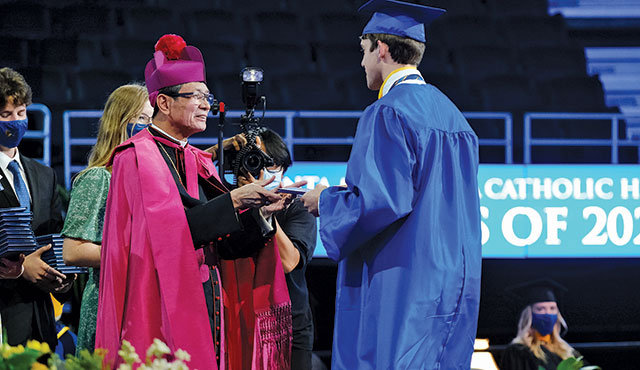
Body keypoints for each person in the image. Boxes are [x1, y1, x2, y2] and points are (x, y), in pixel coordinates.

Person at [300, 1, 482, 369]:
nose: (362, 64)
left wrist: (326, 201)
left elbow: (381, 201)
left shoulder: (389, 111)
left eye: (363, 52)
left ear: (382, 49)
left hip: (404, 278)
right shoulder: (455, 118)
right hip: (454, 282)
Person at [95, 34, 292, 370]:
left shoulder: (197, 159)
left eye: (207, 96)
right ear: (164, 103)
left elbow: (224, 242)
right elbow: (166, 237)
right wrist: (233, 200)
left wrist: (259, 215)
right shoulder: (135, 157)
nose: (207, 105)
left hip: (208, 302)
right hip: (158, 306)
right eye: (197, 96)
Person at [61, 83, 153, 354]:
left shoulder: (150, 181)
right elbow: (73, 251)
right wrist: (137, 254)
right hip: (109, 302)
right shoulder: (99, 177)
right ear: (120, 122)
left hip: (141, 299)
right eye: (142, 119)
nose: (149, 127)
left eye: (153, 120)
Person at [0, 67, 74, 349]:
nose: (15, 122)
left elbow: (53, 237)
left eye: (21, 113)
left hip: (40, 322)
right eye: (6, 115)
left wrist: (62, 280)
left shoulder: (44, 174)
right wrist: (19, 269)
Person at [238, 129, 317, 370]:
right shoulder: (229, 205)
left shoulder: (297, 208)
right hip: (241, 321)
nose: (263, 174)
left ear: (282, 169)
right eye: (255, 165)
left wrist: (267, 215)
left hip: (289, 327)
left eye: (270, 166)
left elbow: (289, 262)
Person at [501, 279, 587, 370]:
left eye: (552, 308)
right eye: (540, 309)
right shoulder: (518, 351)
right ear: (529, 315)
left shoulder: (566, 350)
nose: (548, 313)